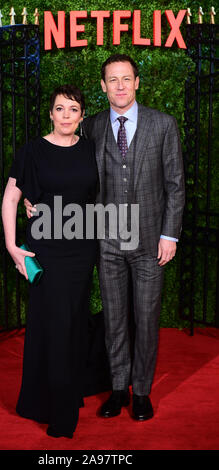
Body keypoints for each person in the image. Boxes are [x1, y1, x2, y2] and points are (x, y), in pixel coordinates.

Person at [25, 54, 185, 422]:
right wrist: (38, 201)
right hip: (106, 242)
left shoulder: (163, 125)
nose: (120, 86)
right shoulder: (91, 127)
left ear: (137, 82)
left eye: (126, 78)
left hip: (149, 243)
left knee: (146, 319)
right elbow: (68, 172)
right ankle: (117, 389)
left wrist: (169, 235)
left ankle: (141, 392)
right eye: (112, 80)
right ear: (103, 86)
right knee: (114, 320)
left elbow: (175, 186)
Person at [1, 85, 98, 438]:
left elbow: (96, 198)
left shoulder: (90, 149)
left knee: (71, 325)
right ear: (51, 114)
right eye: (60, 109)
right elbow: (11, 198)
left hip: (82, 250)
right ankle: (59, 410)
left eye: (74, 109)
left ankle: (65, 394)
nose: (67, 115)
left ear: (82, 116)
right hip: (47, 251)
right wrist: (13, 245)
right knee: (54, 325)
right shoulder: (32, 151)